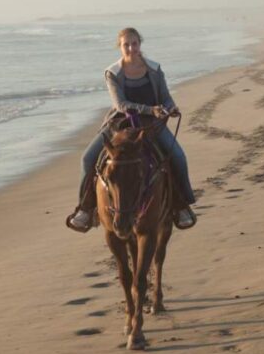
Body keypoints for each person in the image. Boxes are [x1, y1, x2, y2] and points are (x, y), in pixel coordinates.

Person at [67, 27, 196, 232]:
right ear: (120, 47)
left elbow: (165, 96)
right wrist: (150, 109)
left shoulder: (154, 69)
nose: (130, 48)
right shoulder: (112, 72)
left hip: (151, 124)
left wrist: (170, 107)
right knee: (87, 158)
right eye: (126, 44)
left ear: (139, 44)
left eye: (134, 44)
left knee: (178, 156)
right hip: (120, 122)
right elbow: (121, 104)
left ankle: (182, 205)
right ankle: (85, 209)